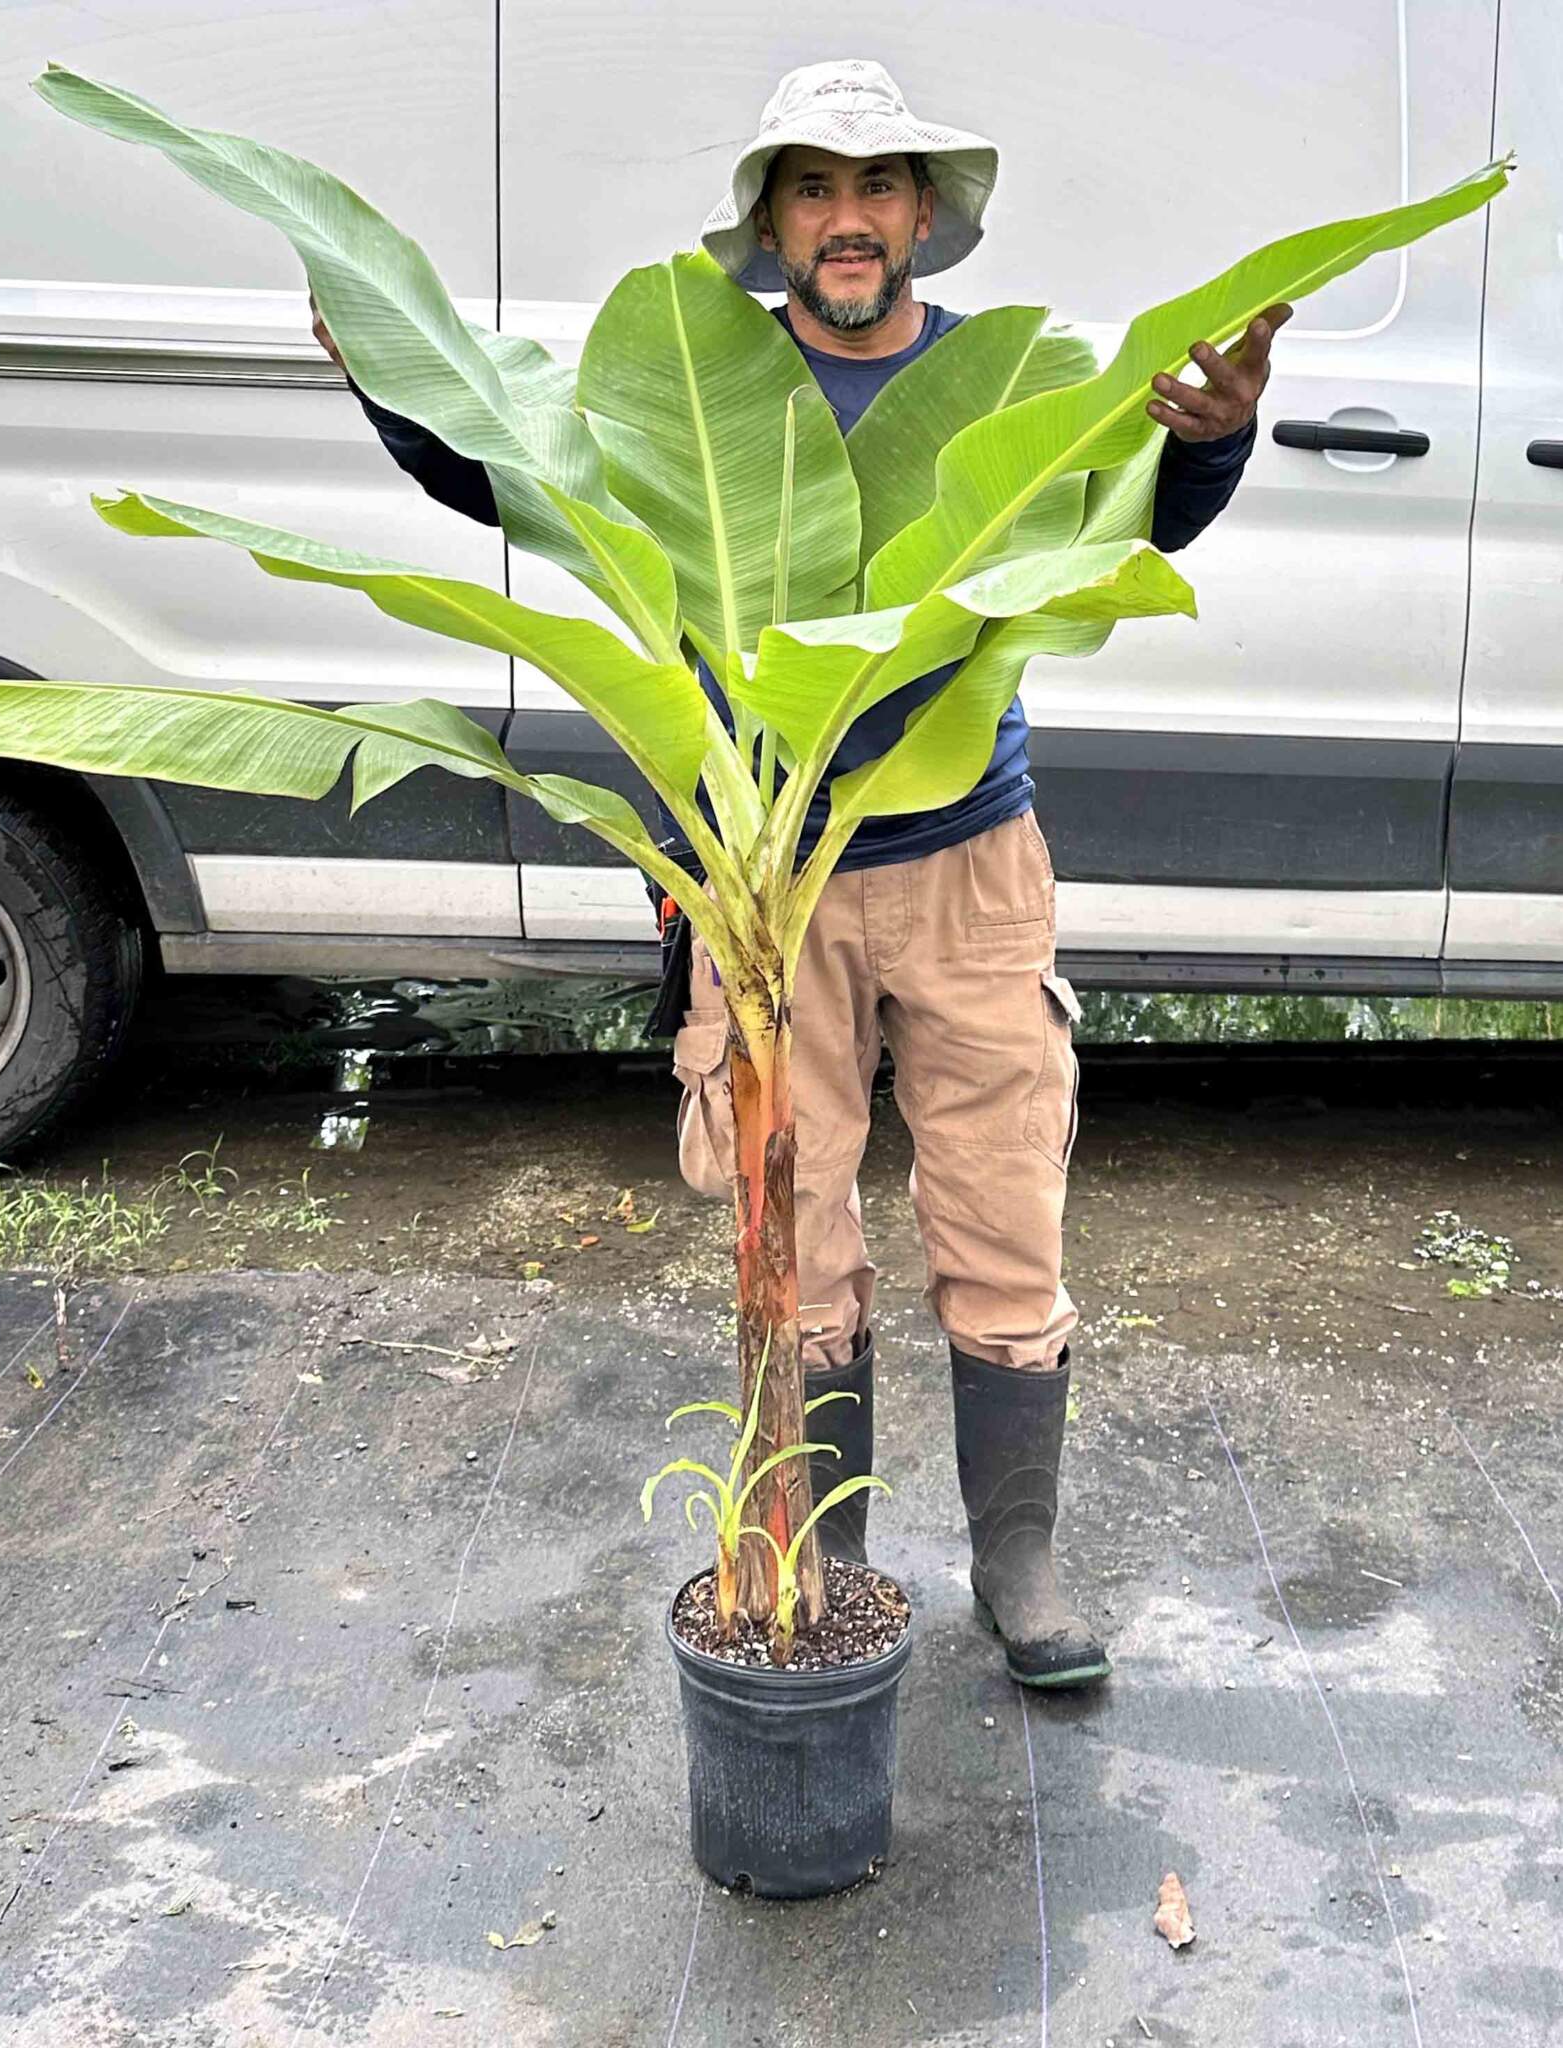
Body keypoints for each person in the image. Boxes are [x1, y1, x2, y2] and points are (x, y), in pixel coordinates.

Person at [315, 60, 1288, 1689]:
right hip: (770, 888)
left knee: (1004, 1197)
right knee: (800, 1221)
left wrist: (1216, 441)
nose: (848, 218)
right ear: (772, 224)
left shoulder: (1005, 376)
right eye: (814, 189)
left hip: (966, 854)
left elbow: (1128, 524)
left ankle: (1019, 1560)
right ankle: (827, 1557)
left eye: (877, 186)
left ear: (922, 215)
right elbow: (511, 480)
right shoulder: (703, 384)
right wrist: (397, 380)